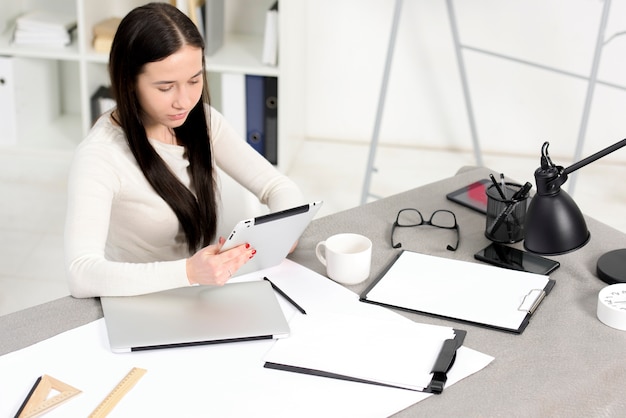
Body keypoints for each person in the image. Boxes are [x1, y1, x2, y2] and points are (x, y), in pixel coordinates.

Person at [64, 3, 303, 298]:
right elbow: (81, 272)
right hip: (142, 297)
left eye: (194, 80)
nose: (185, 101)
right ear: (129, 83)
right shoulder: (100, 156)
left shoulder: (202, 120)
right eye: (165, 88)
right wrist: (188, 272)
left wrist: (284, 227)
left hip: (204, 289)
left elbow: (277, 185)